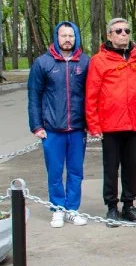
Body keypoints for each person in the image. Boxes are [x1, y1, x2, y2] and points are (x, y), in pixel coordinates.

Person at [86, 18, 136, 226]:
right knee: (111, 167)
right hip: (110, 124)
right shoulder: (99, 60)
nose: (123, 34)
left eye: (126, 30)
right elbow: (91, 94)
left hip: (133, 123)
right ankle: (112, 207)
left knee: (131, 166)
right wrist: (94, 124)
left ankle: (129, 205)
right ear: (109, 35)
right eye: (118, 31)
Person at [27, 21, 91, 228]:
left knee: (76, 172)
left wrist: (91, 123)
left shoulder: (85, 62)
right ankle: (57, 209)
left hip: (77, 128)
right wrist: (37, 125)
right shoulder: (42, 63)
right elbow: (34, 96)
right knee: (55, 172)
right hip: (52, 129)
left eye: (71, 36)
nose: (67, 39)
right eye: (63, 36)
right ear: (57, 37)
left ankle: (72, 209)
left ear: (76, 37)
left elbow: (91, 95)